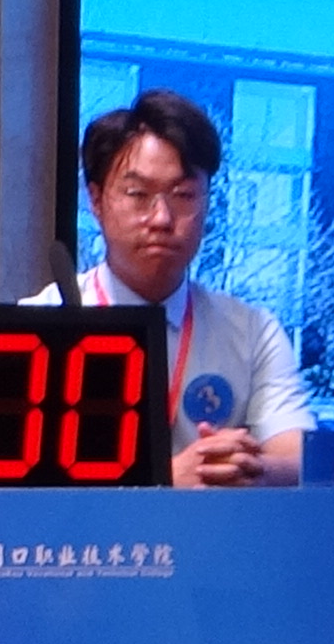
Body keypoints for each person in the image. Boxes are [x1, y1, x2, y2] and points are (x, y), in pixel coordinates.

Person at [19, 88, 309, 486]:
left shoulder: (252, 331)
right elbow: (12, 487)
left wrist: (241, 468)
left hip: (214, 526)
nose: (161, 218)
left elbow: (297, 459)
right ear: (96, 200)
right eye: (138, 195)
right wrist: (166, 479)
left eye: (183, 195)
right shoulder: (39, 322)